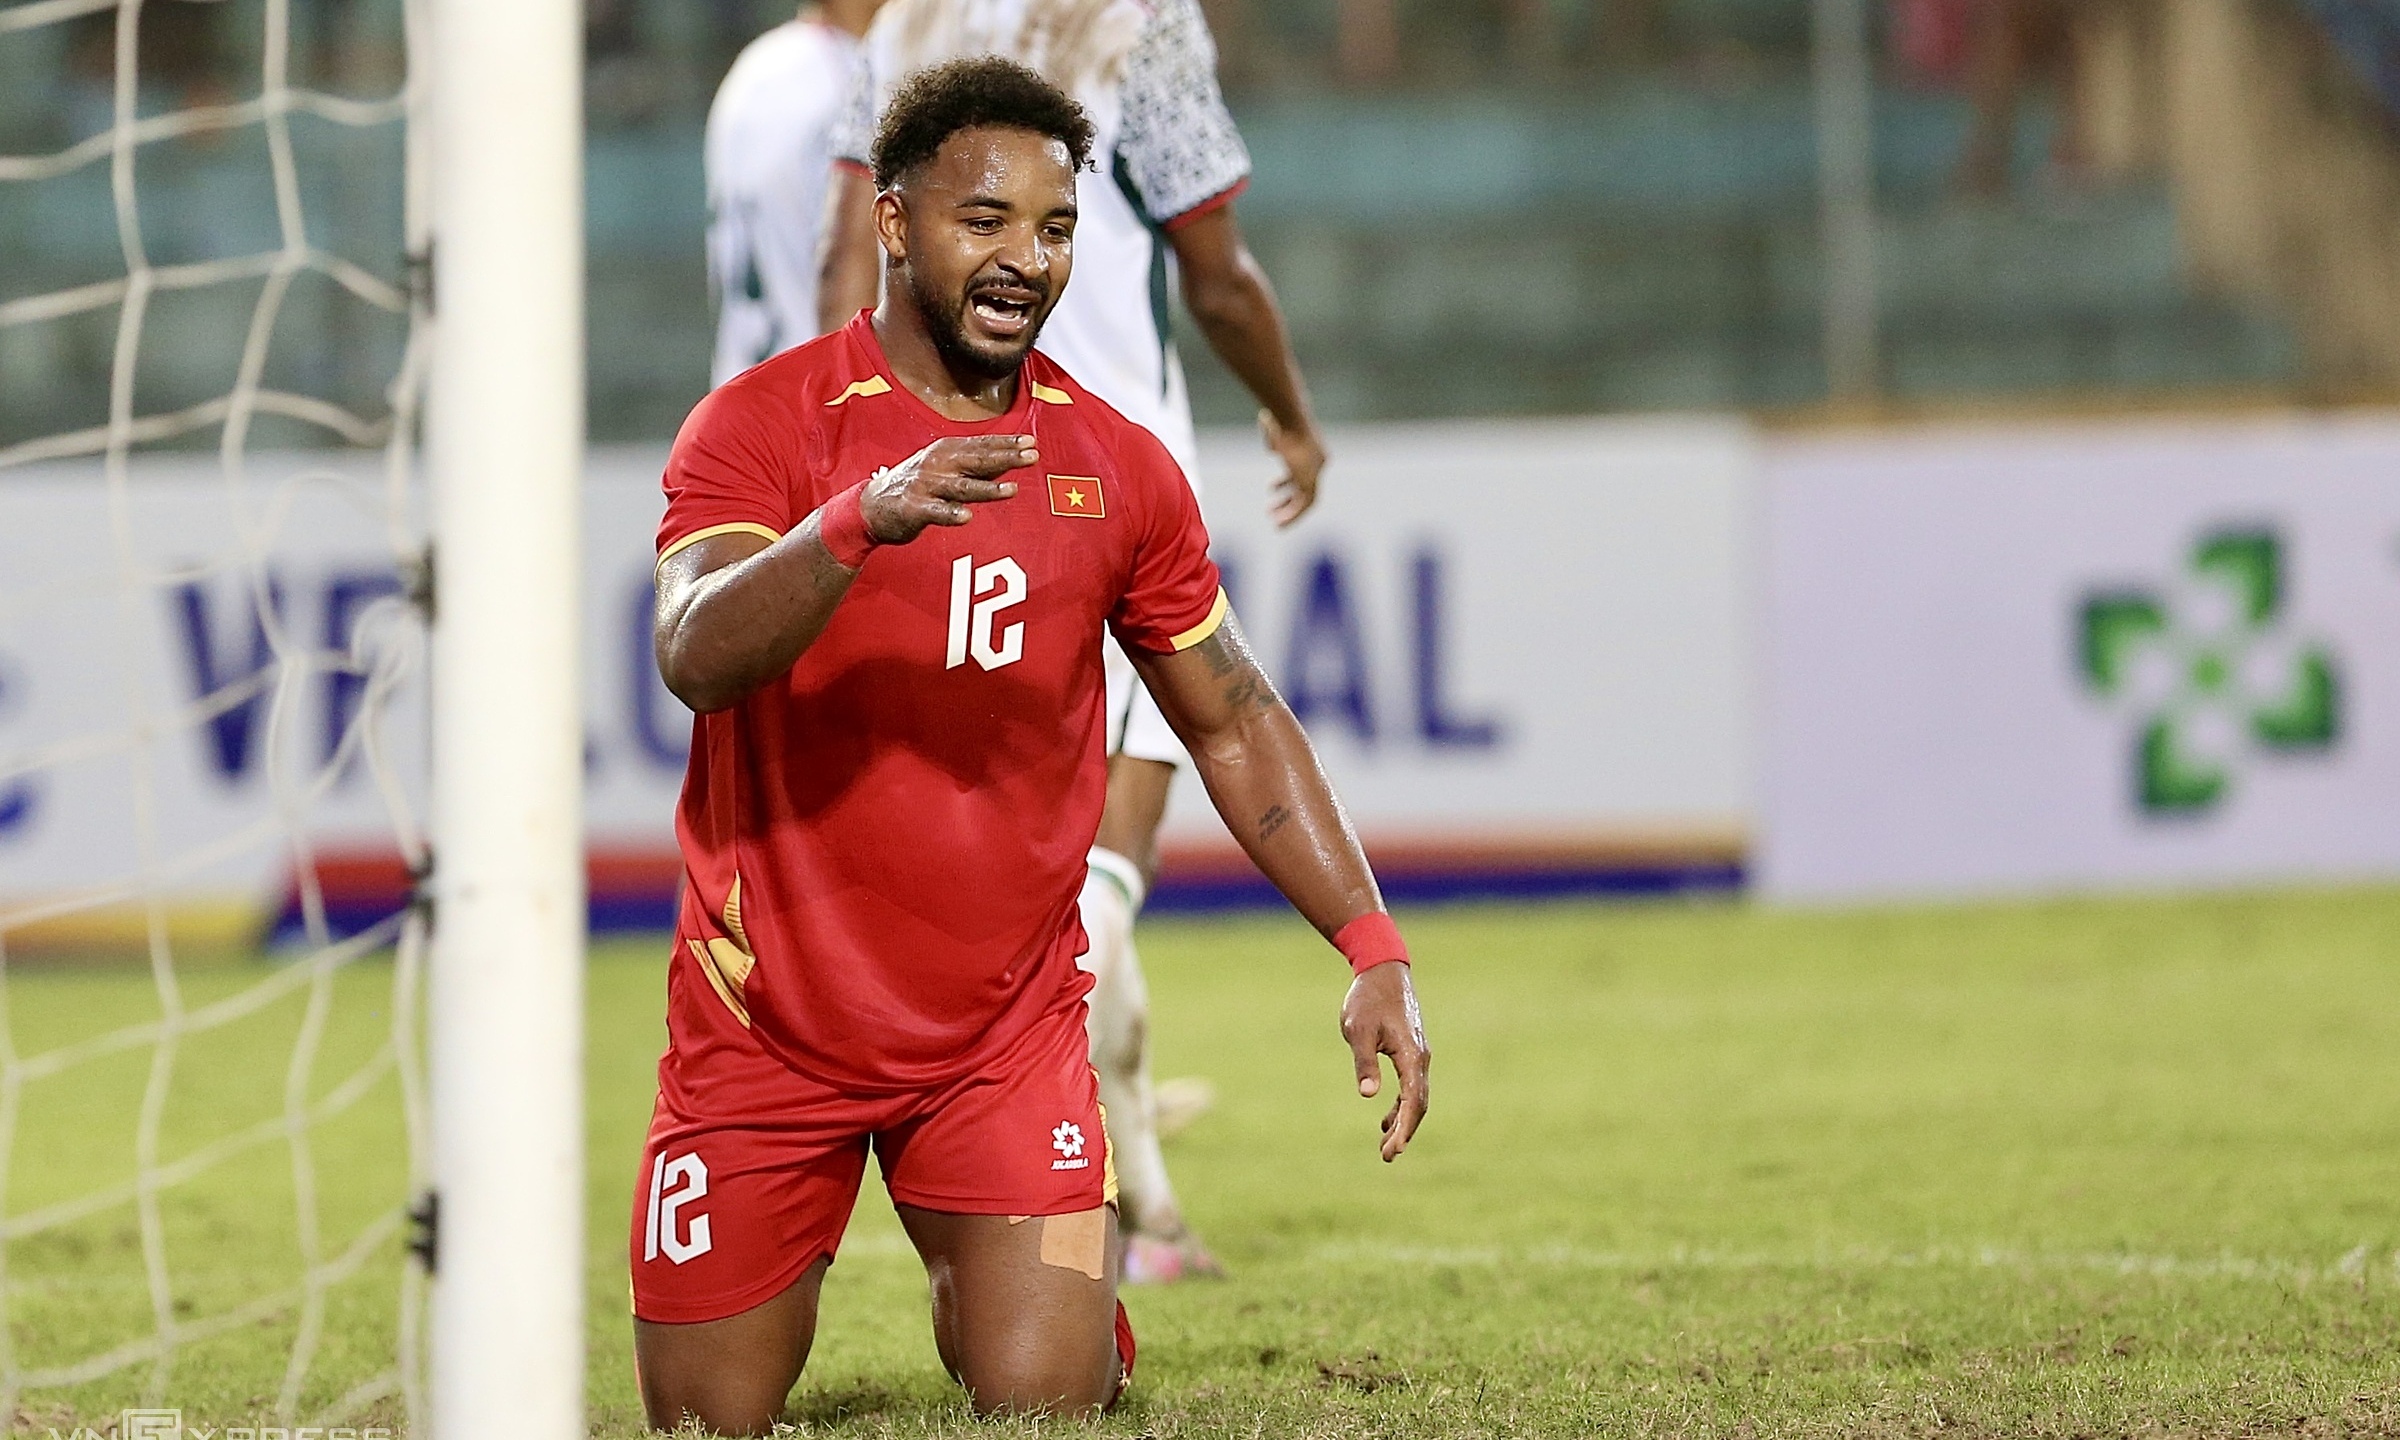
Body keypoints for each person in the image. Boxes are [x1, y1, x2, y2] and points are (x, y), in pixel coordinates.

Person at [635, 58, 1431, 1435]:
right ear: (893, 226)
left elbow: (1234, 720)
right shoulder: (760, 428)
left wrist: (1373, 950)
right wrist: (855, 524)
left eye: (1056, 229)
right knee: (708, 1423)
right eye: (985, 221)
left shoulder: (1117, 466)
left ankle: (1054, 1284)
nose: (1026, 261)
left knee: (1049, 1397)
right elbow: (695, 653)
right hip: (767, 1026)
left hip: (996, 1036)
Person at [816, 0, 1329, 1284]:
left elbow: (845, 255)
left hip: (920, 475)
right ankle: (1067, 1216)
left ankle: (1134, 1198)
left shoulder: (900, 17)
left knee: (1025, 874)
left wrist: (834, 447)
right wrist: (1291, 415)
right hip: (1102, 487)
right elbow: (1216, 269)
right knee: (1097, 883)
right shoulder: (1139, 17)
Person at [704, 0, 889, 385]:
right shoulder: (852, 77)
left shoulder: (759, 65)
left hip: (748, 387)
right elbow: (846, 265)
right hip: (817, 392)